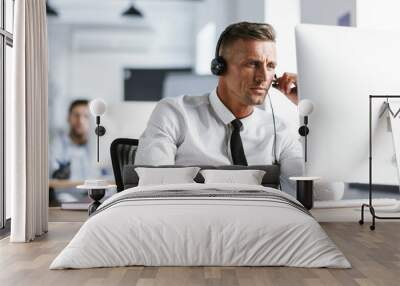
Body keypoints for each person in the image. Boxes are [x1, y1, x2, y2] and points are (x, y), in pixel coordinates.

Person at [134, 22, 303, 193]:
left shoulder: (278, 130)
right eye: (252, 64)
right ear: (219, 67)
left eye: (270, 66)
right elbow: (151, 191)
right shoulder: (175, 114)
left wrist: (307, 104)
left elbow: (315, 193)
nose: (263, 77)